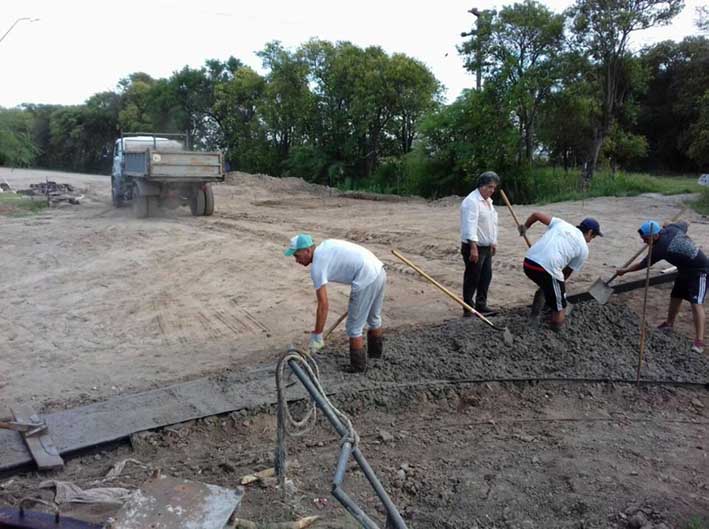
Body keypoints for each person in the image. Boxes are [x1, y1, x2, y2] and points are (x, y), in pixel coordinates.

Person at [284, 233, 386, 372]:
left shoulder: (317, 266)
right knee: (374, 319)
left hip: (365, 277)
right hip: (379, 270)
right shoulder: (327, 244)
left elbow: (323, 305)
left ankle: (358, 367)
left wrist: (317, 334)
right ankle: (376, 357)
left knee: (354, 328)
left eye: (297, 255)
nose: (296, 260)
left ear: (307, 250)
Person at [617, 220, 708, 353]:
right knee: (676, 295)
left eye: (646, 239)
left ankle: (699, 342)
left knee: (696, 303)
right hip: (684, 269)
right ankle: (669, 324)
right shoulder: (673, 228)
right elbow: (685, 223)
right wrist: (669, 223)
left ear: (655, 235)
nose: (644, 242)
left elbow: (644, 264)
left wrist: (625, 271)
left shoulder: (661, 248)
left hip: (700, 270)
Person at [520, 213, 602, 329]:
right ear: (589, 232)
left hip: (529, 262)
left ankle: (534, 317)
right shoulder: (583, 249)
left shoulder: (561, 223)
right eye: (593, 236)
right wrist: (559, 294)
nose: (591, 240)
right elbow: (565, 274)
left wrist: (525, 227)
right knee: (560, 306)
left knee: (547, 285)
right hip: (546, 268)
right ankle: (557, 327)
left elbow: (536, 215)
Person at [459, 171, 500, 317]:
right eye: (489, 187)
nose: (492, 190)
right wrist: (473, 247)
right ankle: (468, 308)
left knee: (485, 276)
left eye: (494, 188)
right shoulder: (472, 201)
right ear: (481, 186)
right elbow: (470, 225)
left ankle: (481, 305)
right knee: (472, 278)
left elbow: (492, 223)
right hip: (474, 247)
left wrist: (493, 242)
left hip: (486, 247)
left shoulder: (488, 202)